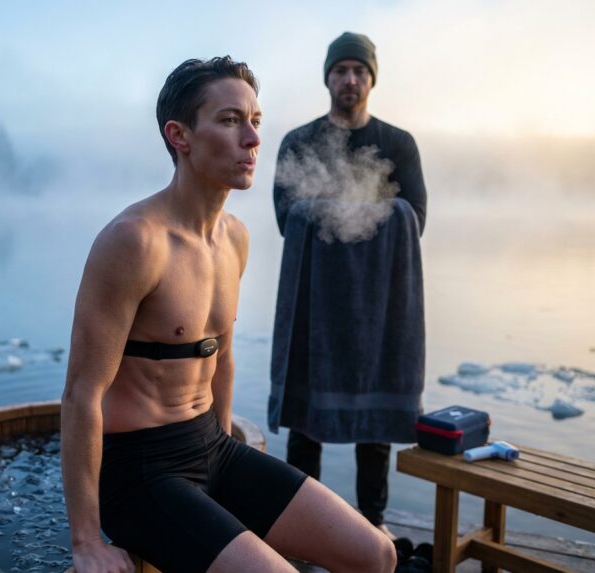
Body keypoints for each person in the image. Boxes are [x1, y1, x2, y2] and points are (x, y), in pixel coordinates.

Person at [61, 56, 396, 573]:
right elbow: (82, 392)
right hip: (141, 471)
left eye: (256, 121)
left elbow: (222, 358)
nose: (253, 140)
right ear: (180, 136)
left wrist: (223, 476)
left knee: (377, 553)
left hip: (212, 447)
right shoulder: (134, 242)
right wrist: (86, 541)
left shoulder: (234, 239)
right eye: (230, 120)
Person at [268, 32, 427, 539]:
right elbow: (283, 216)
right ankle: (301, 524)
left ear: (371, 78)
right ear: (328, 77)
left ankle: (373, 523)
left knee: (374, 423)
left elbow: (415, 216)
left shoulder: (397, 144)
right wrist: (343, 213)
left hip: (379, 305)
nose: (350, 79)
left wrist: (350, 215)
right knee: (305, 421)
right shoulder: (299, 142)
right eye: (341, 70)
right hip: (314, 302)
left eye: (360, 70)